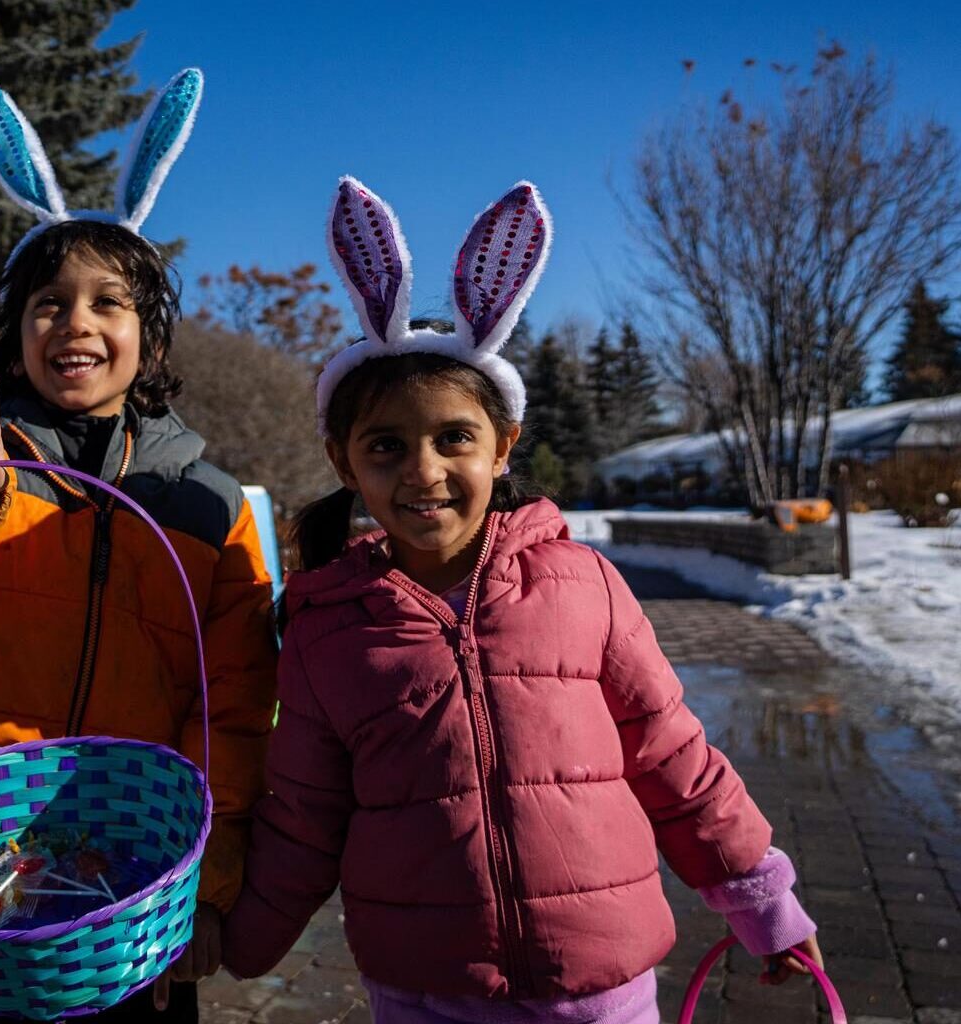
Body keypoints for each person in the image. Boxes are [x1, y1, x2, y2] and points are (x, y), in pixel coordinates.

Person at [218, 178, 822, 1024]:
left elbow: (675, 762)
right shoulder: (327, 632)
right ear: (343, 461)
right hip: (427, 992)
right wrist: (234, 943)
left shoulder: (584, 586)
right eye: (386, 446)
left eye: (453, 438)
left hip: (601, 991)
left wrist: (765, 904)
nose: (423, 472)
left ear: (501, 447)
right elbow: (303, 821)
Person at [0, 70, 277, 1022]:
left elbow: (234, 706)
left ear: (151, 336)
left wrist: (206, 885)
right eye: (49, 302)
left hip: (138, 874)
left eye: (109, 302)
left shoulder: (209, 504)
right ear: (15, 337)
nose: (78, 323)